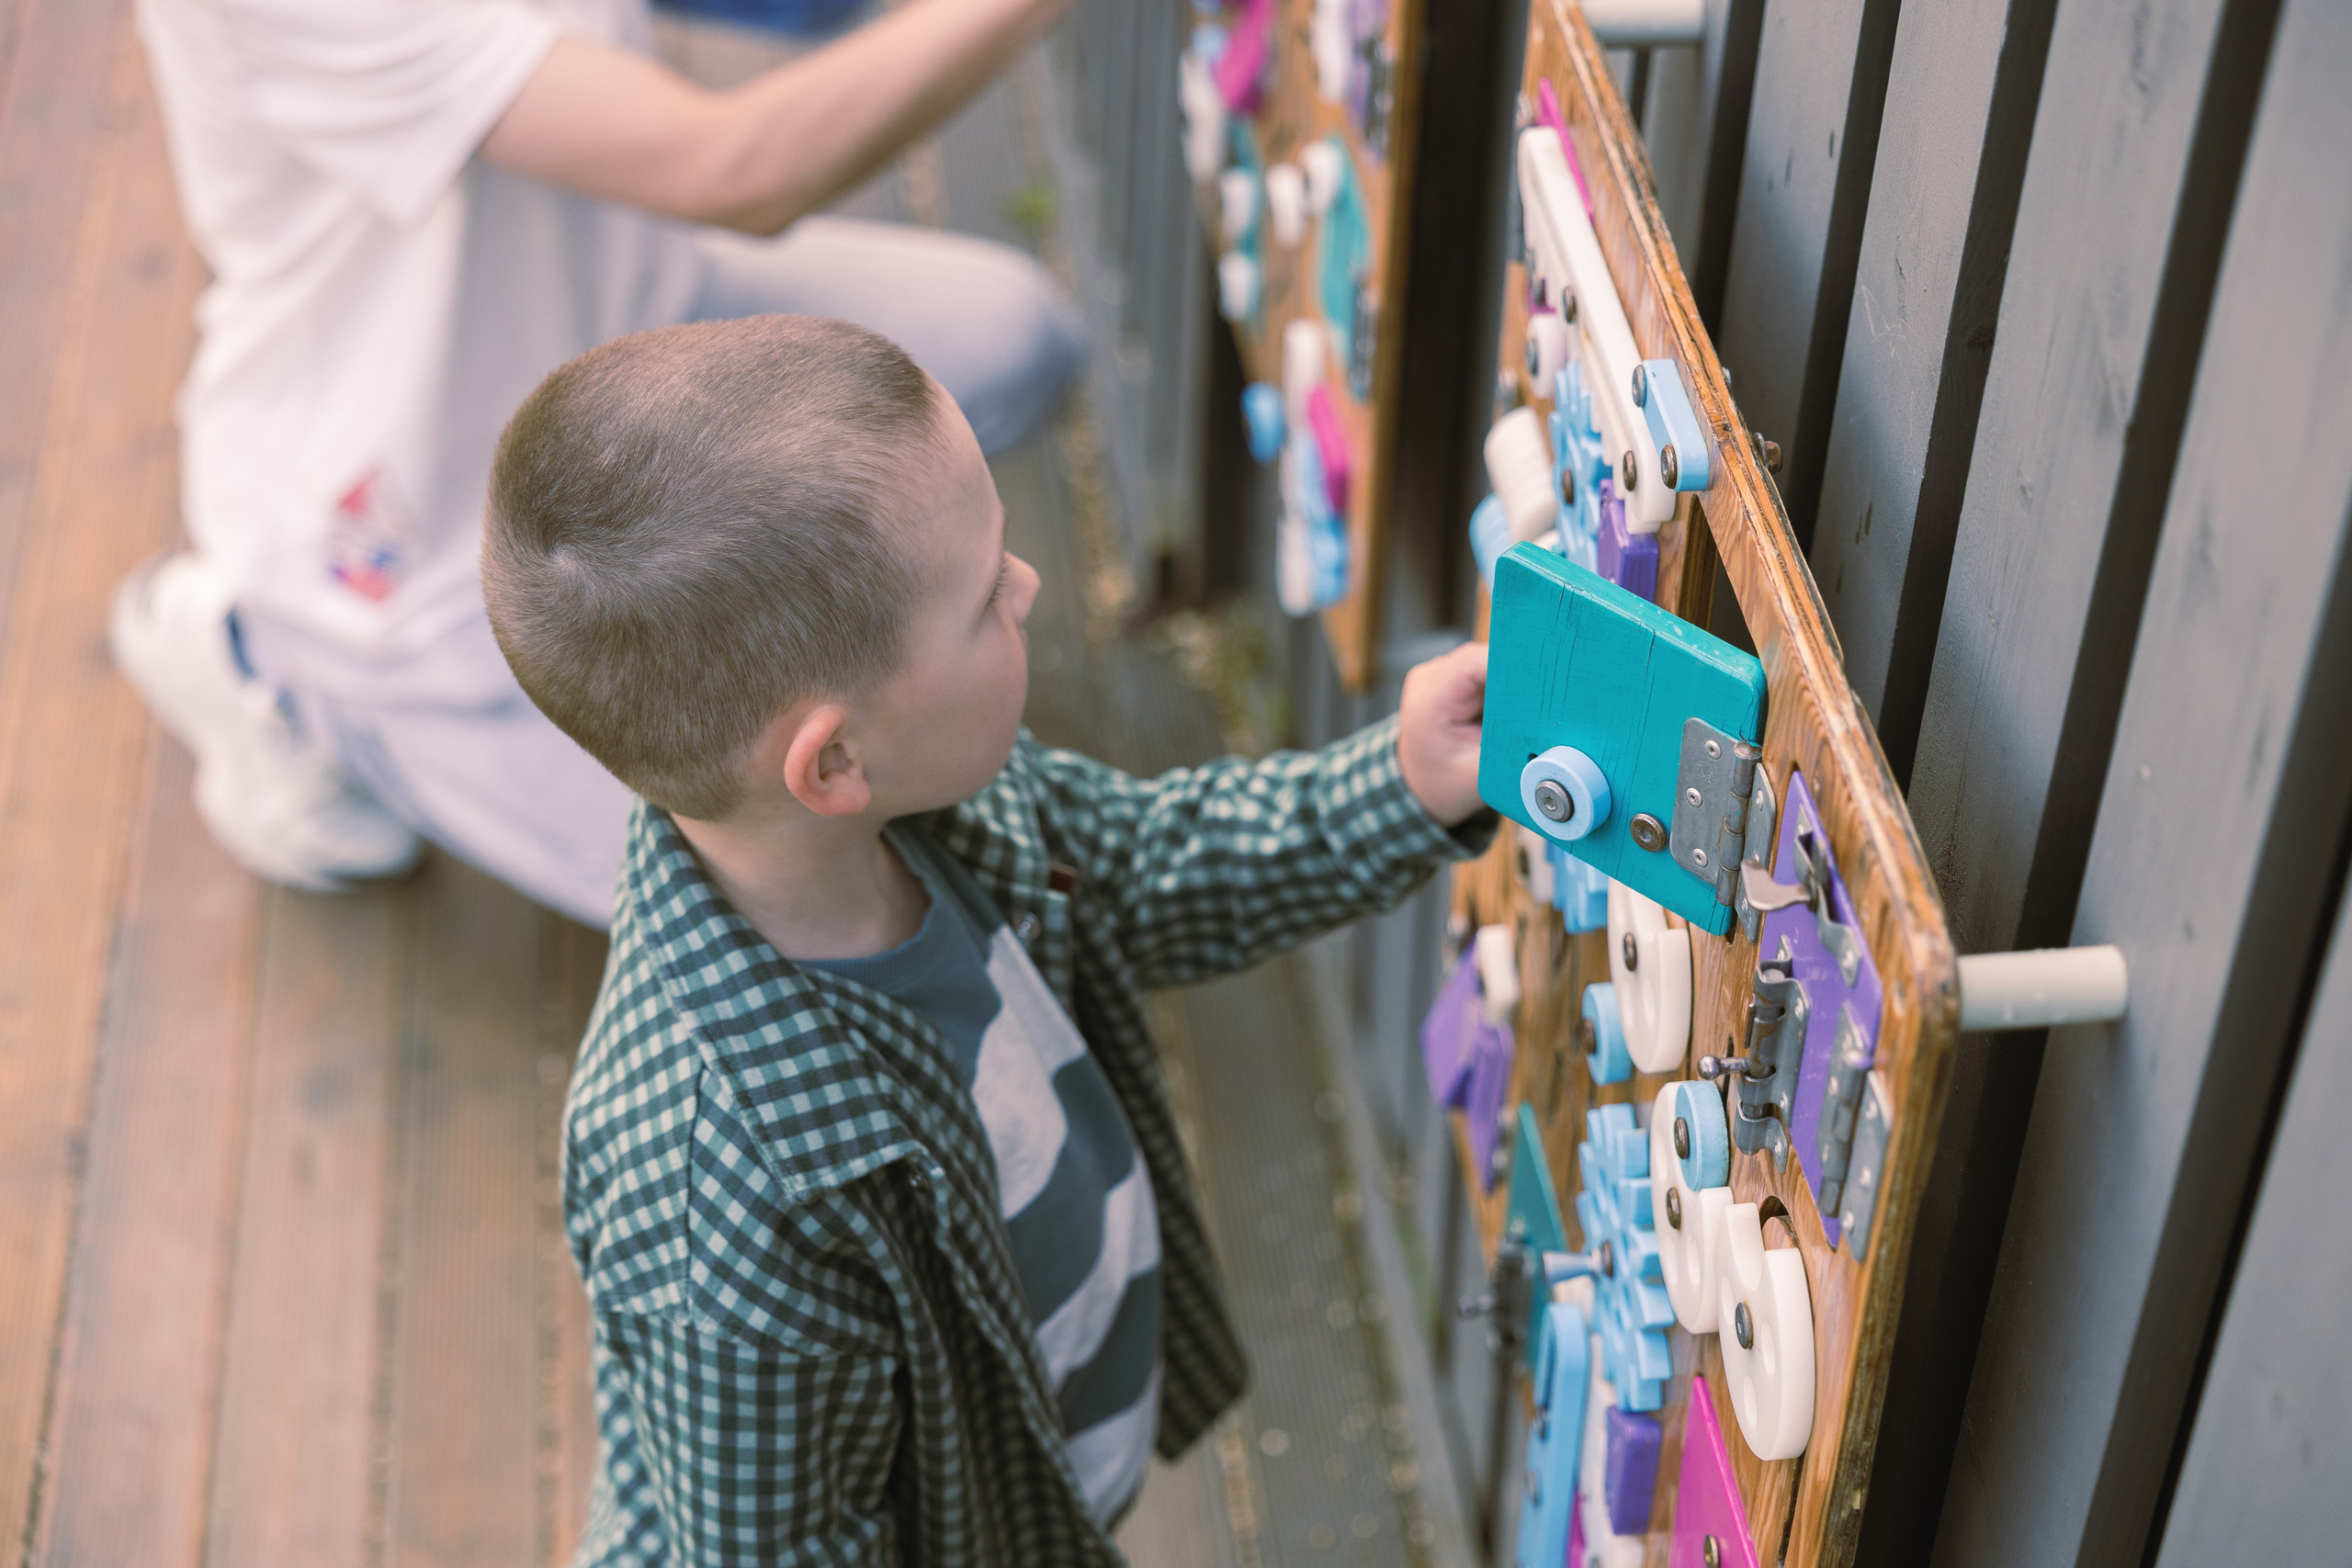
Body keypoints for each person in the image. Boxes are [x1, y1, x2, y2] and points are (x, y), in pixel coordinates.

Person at [483, 314, 1492, 1562]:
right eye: (982, 595)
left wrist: (1399, 785)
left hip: (1027, 1469)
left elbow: (1153, 867)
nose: (1027, 585)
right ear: (833, 757)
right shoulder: (725, 1202)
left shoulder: (940, 810)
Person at [114, 0, 1086, 925]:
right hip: (419, 542)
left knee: (1015, 338)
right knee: (837, 904)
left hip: (636, 329)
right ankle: (272, 670)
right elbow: (735, 169)